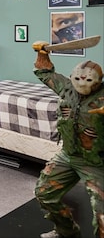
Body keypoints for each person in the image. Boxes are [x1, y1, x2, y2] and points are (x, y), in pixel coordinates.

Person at [32, 41, 104, 238]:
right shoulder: (66, 87)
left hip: (96, 161)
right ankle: (66, 232)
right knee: (44, 193)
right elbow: (45, 73)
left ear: (98, 82)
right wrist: (42, 54)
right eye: (78, 79)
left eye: (88, 80)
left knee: (102, 214)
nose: (81, 84)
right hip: (68, 155)